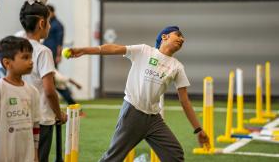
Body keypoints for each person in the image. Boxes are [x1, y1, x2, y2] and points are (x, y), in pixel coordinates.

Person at [68, 26, 210, 162]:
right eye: (178, 35)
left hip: (154, 120)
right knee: (113, 158)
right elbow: (114, 48)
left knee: (175, 154)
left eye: (183, 39)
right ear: (164, 36)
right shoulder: (144, 51)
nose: (182, 39)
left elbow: (184, 101)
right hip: (132, 113)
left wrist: (198, 130)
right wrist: (84, 50)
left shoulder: (177, 66)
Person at [20, 0, 67, 162]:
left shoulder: (17, 45)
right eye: (48, 22)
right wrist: (58, 113)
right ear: (42, 23)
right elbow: (49, 90)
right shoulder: (43, 51)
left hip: (20, 116)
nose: (49, 25)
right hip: (42, 118)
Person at [0, 36, 40, 162]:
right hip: (0, 157)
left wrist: (35, 156)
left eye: (30, 57)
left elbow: (35, 126)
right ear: (7, 63)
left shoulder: (33, 92)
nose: (31, 61)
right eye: (25, 57)